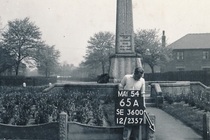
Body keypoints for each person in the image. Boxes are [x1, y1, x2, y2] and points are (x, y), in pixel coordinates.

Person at [119, 67, 145, 140]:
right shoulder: (127, 77)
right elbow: (120, 86)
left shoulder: (142, 81)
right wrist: (122, 96)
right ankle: (125, 138)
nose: (138, 78)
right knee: (127, 123)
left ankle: (135, 138)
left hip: (136, 104)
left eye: (139, 77)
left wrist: (143, 105)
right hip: (127, 103)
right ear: (134, 73)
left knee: (137, 124)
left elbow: (142, 94)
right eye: (137, 76)